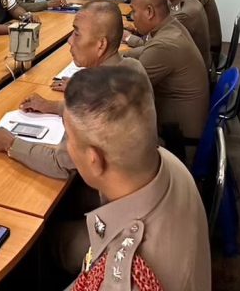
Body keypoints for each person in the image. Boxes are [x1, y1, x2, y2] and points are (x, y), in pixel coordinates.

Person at [64, 66, 211, 291]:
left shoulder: (128, 281)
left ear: (95, 160)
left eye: (68, 137)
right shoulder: (170, 163)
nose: (67, 146)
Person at [0, 1, 148, 177]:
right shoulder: (134, 67)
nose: (69, 40)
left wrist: (10, 143)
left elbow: (61, 165)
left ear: (101, 45)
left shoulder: (90, 93)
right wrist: (52, 106)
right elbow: (101, 114)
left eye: (77, 34)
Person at [125, 0, 209, 156]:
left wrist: (88, 77)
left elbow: (124, 91)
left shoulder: (164, 45)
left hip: (178, 141)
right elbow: (146, 50)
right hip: (183, 126)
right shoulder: (172, 26)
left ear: (149, 12)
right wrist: (120, 56)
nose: (132, 17)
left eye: (133, 11)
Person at [128, 0, 210, 68]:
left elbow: (152, 45)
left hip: (197, 68)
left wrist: (129, 38)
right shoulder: (175, 2)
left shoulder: (185, 13)